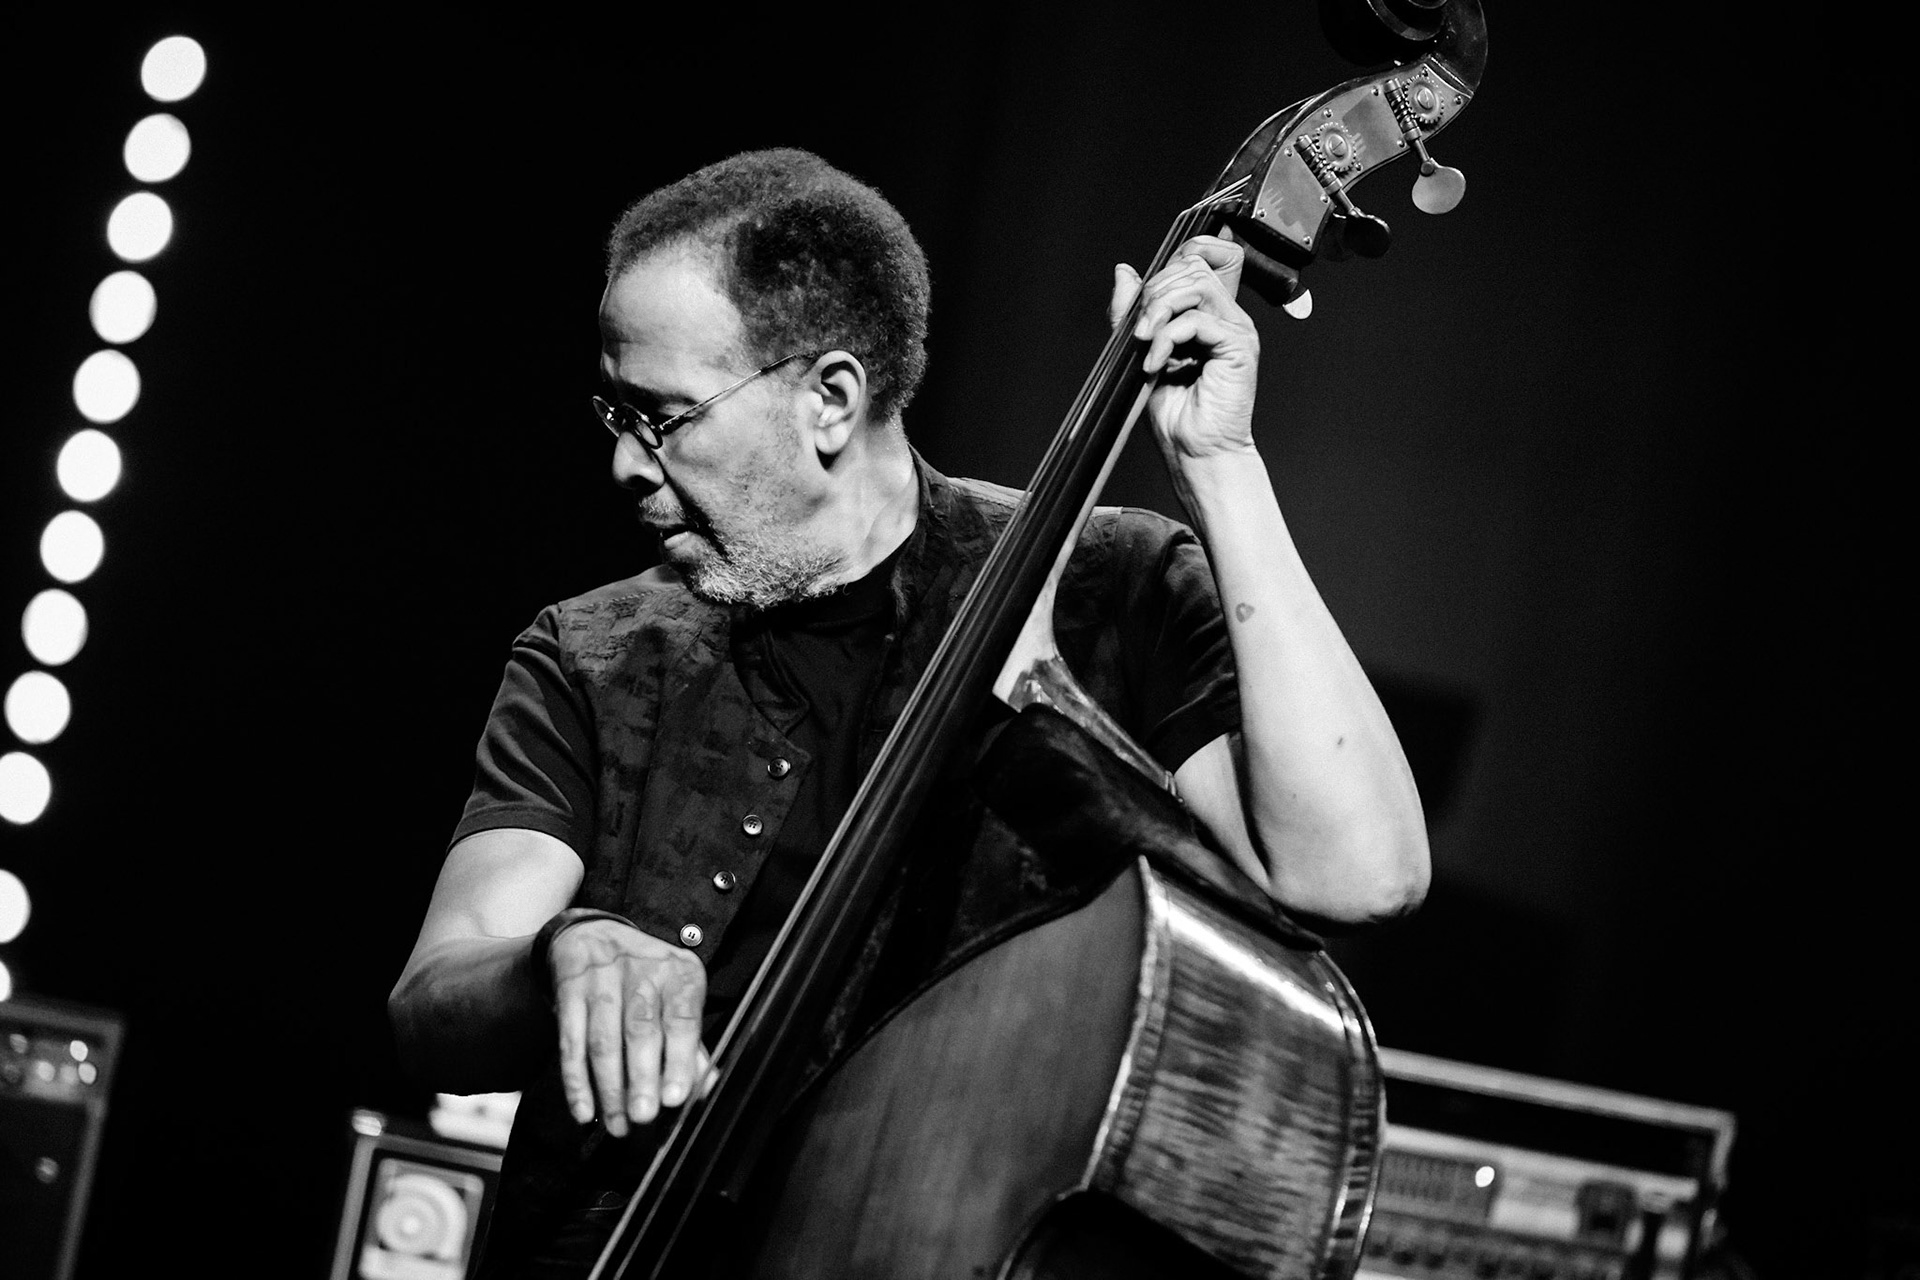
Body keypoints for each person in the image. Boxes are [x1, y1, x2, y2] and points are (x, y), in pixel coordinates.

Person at [389, 147, 1429, 1277]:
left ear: (829, 398)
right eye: (616, 410)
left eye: (663, 416)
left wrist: (1218, 463)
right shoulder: (591, 652)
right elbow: (434, 998)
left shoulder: (1108, 586)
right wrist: (562, 951)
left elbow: (1356, 871)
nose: (623, 466)